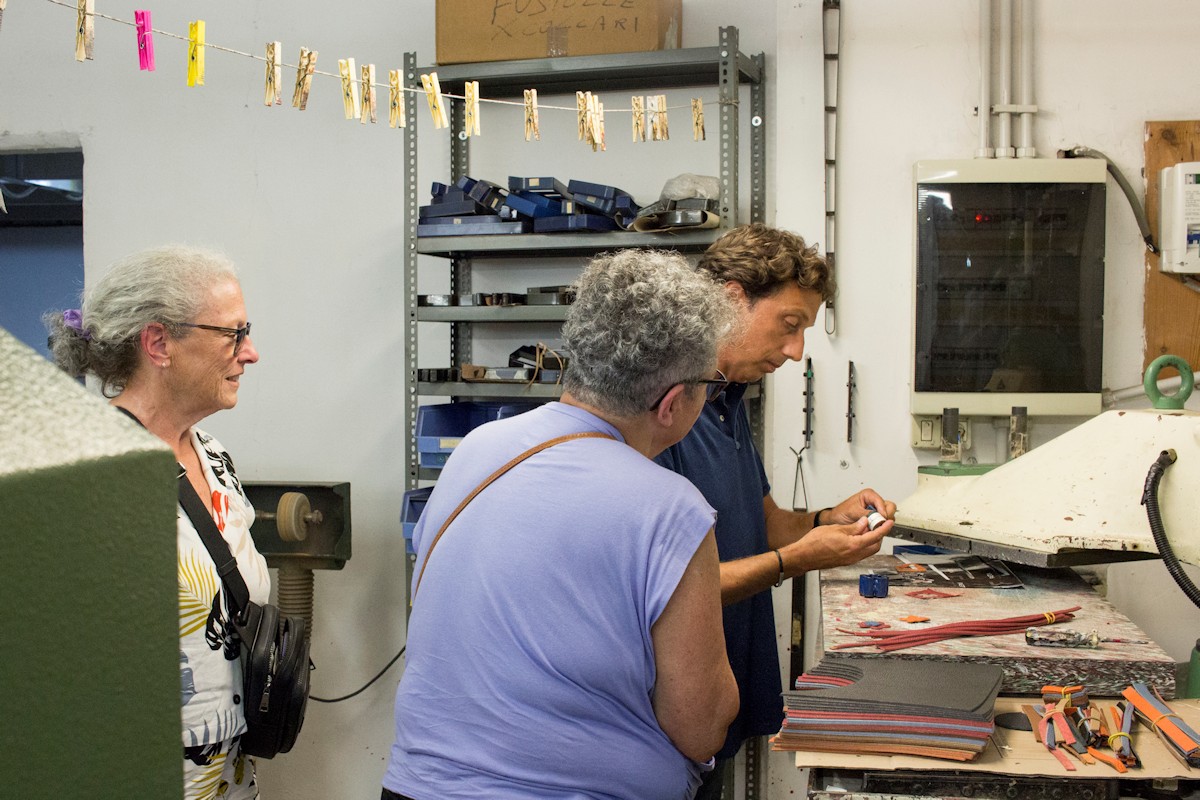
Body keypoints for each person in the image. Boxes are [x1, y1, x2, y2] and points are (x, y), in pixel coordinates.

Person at [383, 249, 741, 800]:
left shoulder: (479, 450)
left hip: (416, 788)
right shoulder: (670, 509)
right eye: (709, 383)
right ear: (672, 403)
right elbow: (699, 726)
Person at [653, 223, 898, 797]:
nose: (796, 352)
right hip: (666, 711)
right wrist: (794, 561)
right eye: (789, 325)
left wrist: (823, 522)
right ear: (733, 299)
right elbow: (662, 589)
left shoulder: (726, 400)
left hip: (722, 685)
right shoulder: (659, 416)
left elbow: (764, 523)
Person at [46, 245, 266, 800]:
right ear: (159, 343)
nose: (251, 353)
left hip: (228, 778)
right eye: (232, 334)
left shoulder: (212, 456)